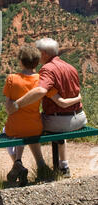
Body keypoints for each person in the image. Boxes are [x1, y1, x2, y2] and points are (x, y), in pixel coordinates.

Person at [6, 38, 87, 178]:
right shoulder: (71, 67)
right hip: (79, 119)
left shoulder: (47, 69)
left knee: (30, 123)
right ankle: (64, 165)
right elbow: (66, 97)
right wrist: (79, 99)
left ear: (43, 53)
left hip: (59, 122)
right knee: (42, 123)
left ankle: (38, 165)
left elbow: (41, 91)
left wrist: (16, 104)